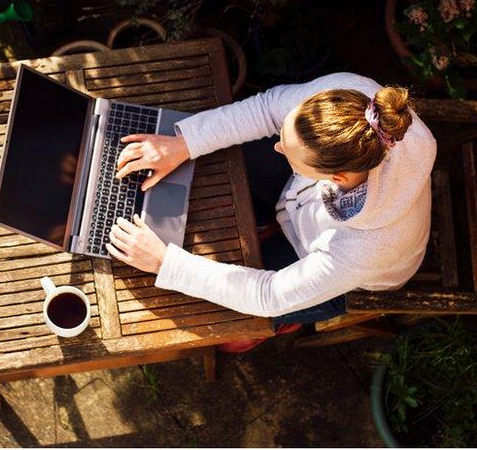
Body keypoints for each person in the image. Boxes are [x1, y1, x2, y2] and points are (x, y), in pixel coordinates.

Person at [106, 72, 436, 353]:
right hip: (306, 204)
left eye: (289, 153)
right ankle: (270, 218)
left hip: (346, 273)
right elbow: (266, 108)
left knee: (226, 329)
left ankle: (290, 320)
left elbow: (270, 294)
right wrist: (183, 144)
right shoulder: (350, 101)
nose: (277, 147)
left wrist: (165, 263)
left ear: (336, 178)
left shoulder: (366, 247)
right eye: (284, 137)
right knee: (236, 153)